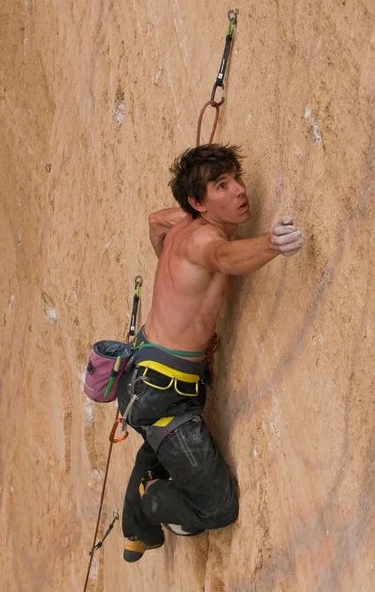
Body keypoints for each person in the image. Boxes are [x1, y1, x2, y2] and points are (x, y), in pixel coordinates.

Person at [117, 143, 304, 562]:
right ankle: (154, 500)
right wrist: (272, 243)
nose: (239, 190)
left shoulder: (182, 225)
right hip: (166, 394)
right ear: (199, 201)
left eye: (236, 178)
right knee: (218, 509)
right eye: (222, 185)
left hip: (148, 378)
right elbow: (223, 256)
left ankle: (136, 532)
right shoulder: (203, 238)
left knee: (156, 441)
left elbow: (154, 221)